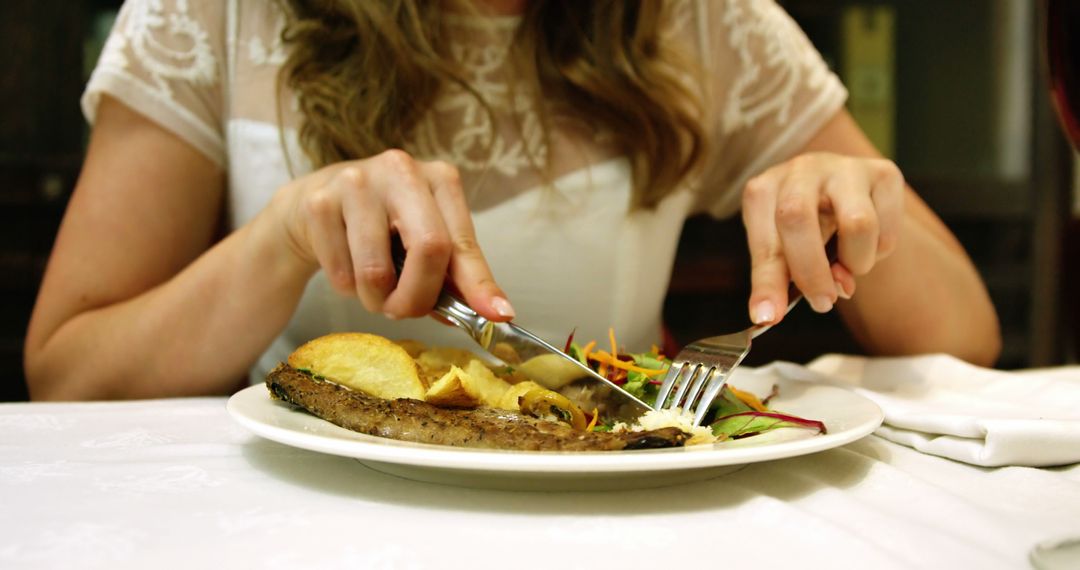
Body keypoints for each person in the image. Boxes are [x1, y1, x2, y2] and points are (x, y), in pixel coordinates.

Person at [24, 0, 1000, 400]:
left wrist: (859, 210)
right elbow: (65, 373)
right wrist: (280, 239)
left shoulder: (701, 19)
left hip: (606, 529)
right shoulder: (210, 15)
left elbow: (966, 336)